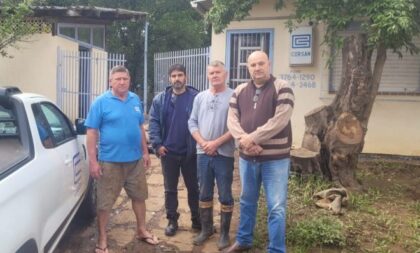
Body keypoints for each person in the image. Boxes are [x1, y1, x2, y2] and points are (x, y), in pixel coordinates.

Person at [224, 51, 295, 253]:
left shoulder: (283, 88)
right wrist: (244, 141)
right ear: (248, 67)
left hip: (275, 159)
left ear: (269, 64)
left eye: (261, 63)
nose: (257, 68)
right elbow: (232, 120)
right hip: (248, 158)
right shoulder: (239, 91)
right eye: (253, 65)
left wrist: (251, 138)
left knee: (276, 207)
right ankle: (244, 240)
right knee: (247, 201)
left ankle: (276, 249)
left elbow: (279, 121)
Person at [85, 65, 158, 253]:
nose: (122, 82)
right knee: (105, 202)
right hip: (110, 162)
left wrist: (145, 152)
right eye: (117, 79)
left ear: (129, 80)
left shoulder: (135, 99)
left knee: (140, 197)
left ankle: (142, 230)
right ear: (110, 81)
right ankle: (102, 238)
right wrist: (93, 161)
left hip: (135, 162)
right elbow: (92, 132)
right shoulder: (100, 102)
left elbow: (140, 127)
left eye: (125, 78)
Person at [149, 63, 201, 236]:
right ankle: (172, 220)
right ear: (169, 78)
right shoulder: (160, 99)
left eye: (180, 75)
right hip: (168, 153)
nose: (177, 79)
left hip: (190, 153)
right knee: (169, 189)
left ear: (185, 77)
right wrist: (157, 145)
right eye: (174, 76)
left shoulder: (196, 97)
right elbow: (154, 122)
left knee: (193, 188)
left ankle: (197, 220)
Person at [188, 60, 235, 250]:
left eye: (218, 72)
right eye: (211, 73)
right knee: (204, 192)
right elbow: (192, 122)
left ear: (226, 74)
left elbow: (235, 127)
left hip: (224, 153)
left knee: (225, 194)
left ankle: (224, 234)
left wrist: (215, 143)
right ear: (207, 76)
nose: (214, 75)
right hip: (203, 153)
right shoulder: (200, 97)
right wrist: (203, 143)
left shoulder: (234, 97)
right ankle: (207, 229)